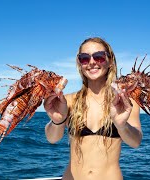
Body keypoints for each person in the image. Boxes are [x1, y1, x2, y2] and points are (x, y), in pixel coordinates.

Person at [44, 37, 142, 180]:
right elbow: (52, 139)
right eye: (84, 58)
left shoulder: (126, 102)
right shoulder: (69, 101)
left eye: (99, 57)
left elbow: (135, 142)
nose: (91, 62)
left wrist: (122, 126)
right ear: (79, 63)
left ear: (110, 61)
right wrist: (57, 121)